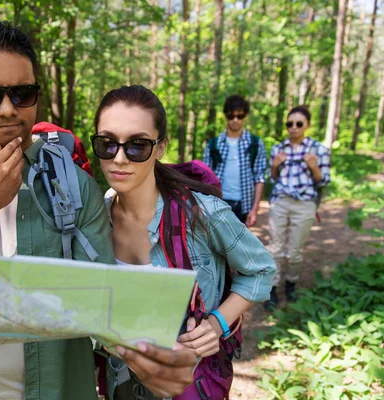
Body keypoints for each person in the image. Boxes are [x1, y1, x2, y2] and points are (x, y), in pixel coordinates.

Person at [0, 21, 196, 400]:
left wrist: (150, 357)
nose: (6, 109)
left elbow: (101, 308)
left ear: (37, 96)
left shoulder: (77, 187)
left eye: (22, 93)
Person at [92, 85, 276, 399]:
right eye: (107, 143)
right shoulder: (95, 217)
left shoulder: (202, 213)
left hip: (192, 385)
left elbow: (260, 270)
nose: (119, 158)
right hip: (119, 383)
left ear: (161, 147)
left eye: (137, 145)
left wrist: (217, 324)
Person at [264, 105, 331, 310]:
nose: (293, 127)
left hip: (305, 204)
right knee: (275, 247)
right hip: (281, 201)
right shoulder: (279, 149)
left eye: (298, 123)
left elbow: (324, 181)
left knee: (295, 251)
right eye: (289, 123)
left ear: (307, 125)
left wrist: (314, 167)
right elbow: (272, 178)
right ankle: (272, 289)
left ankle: (291, 283)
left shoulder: (318, 150)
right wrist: (275, 165)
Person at [203, 95, 267, 226]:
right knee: (217, 244)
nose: (235, 120)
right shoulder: (213, 144)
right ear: (226, 116)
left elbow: (259, 178)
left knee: (240, 245)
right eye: (231, 116)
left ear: (245, 116)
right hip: (218, 202)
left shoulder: (255, 143)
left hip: (244, 204)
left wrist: (254, 210)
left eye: (240, 116)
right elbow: (205, 178)